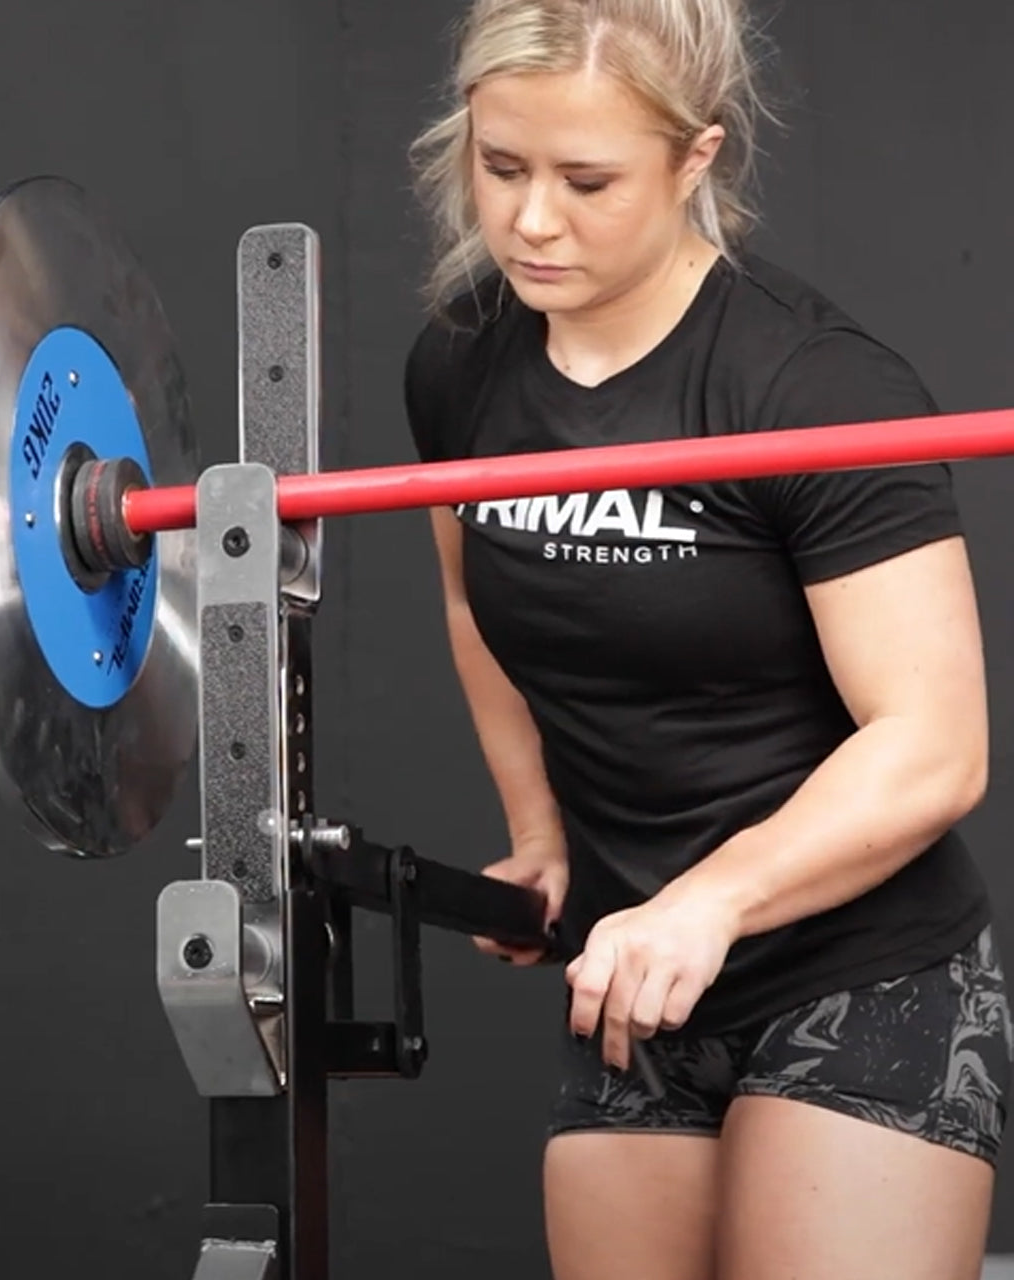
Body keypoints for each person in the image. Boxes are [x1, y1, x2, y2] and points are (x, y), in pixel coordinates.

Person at [400, 2, 1013, 1278]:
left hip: (854, 965)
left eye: (586, 180)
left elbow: (935, 745)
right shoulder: (462, 364)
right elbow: (471, 605)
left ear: (695, 160)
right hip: (637, 977)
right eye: (499, 165)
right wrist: (539, 837)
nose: (528, 219)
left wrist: (710, 899)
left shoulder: (810, 388)